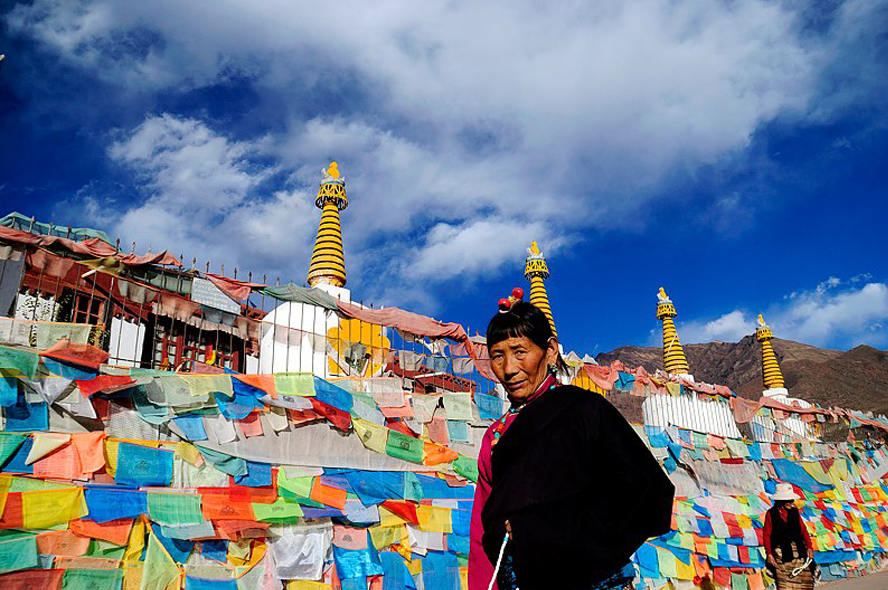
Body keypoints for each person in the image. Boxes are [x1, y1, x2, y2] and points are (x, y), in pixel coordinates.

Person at [468, 292, 675, 590]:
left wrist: (554, 527)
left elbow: (647, 493)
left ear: (550, 350)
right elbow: (483, 531)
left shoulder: (584, 410)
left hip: (598, 579)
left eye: (520, 351)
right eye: (498, 355)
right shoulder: (496, 437)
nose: (509, 368)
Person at [764, 483, 816, 590]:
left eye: (791, 500)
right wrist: (769, 554)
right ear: (780, 501)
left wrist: (809, 547)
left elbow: (803, 530)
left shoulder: (794, 512)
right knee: (784, 585)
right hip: (781, 555)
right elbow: (767, 535)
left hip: (799, 552)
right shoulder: (771, 514)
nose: (791, 503)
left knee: (805, 583)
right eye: (788, 500)